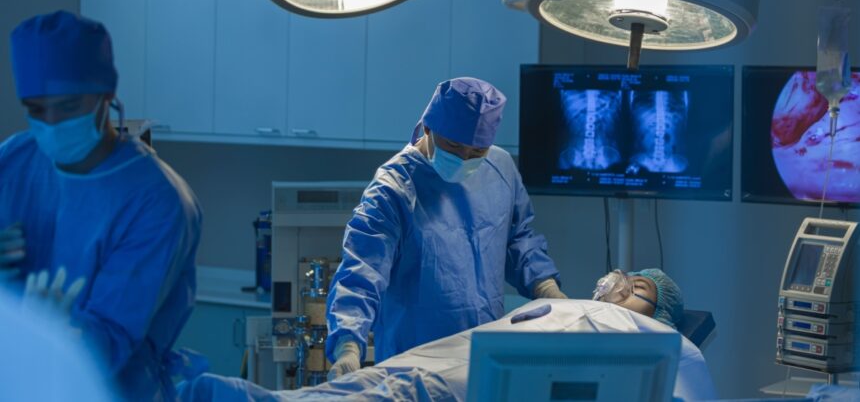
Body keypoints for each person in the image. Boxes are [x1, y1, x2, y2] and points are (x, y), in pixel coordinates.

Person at [0, 10, 203, 400]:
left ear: (106, 96)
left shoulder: (158, 201)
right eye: (36, 110)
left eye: (68, 106)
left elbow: (112, 341)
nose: (51, 123)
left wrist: (61, 334)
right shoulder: (13, 160)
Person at [326, 77, 567, 380]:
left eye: (477, 151)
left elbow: (518, 240)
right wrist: (348, 346)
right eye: (453, 146)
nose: (464, 158)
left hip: (481, 356)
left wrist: (546, 288)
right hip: (412, 363)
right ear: (428, 127)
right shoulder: (393, 189)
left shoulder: (500, 168)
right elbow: (361, 271)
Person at [175, 268, 714, 402]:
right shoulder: (568, 307)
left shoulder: (665, 341)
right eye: (619, 276)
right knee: (355, 389)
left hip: (444, 390)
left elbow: (686, 389)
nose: (616, 285)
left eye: (636, 285)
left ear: (660, 310)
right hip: (424, 369)